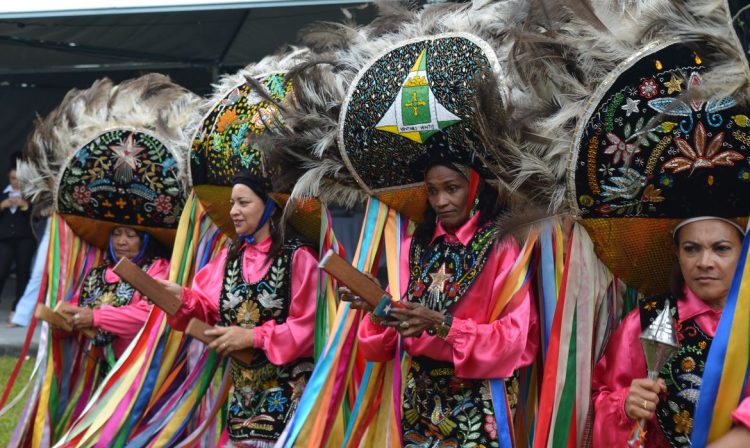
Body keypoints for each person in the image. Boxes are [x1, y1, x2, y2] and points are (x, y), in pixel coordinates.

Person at [347, 161, 539, 447]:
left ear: (474, 188)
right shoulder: (413, 247)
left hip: (476, 398)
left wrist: (442, 324)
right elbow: (380, 348)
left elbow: (515, 340)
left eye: (452, 189)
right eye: (432, 191)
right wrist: (378, 307)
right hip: (417, 399)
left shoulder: (501, 246)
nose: (441, 201)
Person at [161, 171, 319, 447]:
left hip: (291, 400)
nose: (233, 211)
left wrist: (254, 337)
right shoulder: (230, 257)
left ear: (270, 205)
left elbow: (310, 328)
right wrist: (180, 298)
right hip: (242, 401)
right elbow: (207, 307)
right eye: (232, 203)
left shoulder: (299, 257)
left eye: (243, 203)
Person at [592, 217, 750, 447]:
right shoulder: (646, 322)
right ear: (676, 251)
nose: (705, 262)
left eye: (721, 248)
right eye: (691, 249)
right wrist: (625, 405)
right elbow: (600, 403)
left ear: (744, 251)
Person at [57, 226, 169, 361]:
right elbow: (79, 305)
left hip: (141, 363)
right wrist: (63, 318)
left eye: (131, 235)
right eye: (116, 234)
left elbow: (151, 315)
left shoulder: (157, 268)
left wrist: (96, 317)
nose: (121, 241)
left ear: (145, 240)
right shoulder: (100, 271)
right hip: (102, 362)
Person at [0, 167, 35, 324]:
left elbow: (38, 215)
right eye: (13, 178)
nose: (16, 182)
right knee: (1, 271)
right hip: (5, 238)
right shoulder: (3, 192)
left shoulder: (31, 194)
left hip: (25, 238)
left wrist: (25, 205)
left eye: (19, 179)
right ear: (9, 178)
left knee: (23, 273)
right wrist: (3, 205)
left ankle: (17, 309)